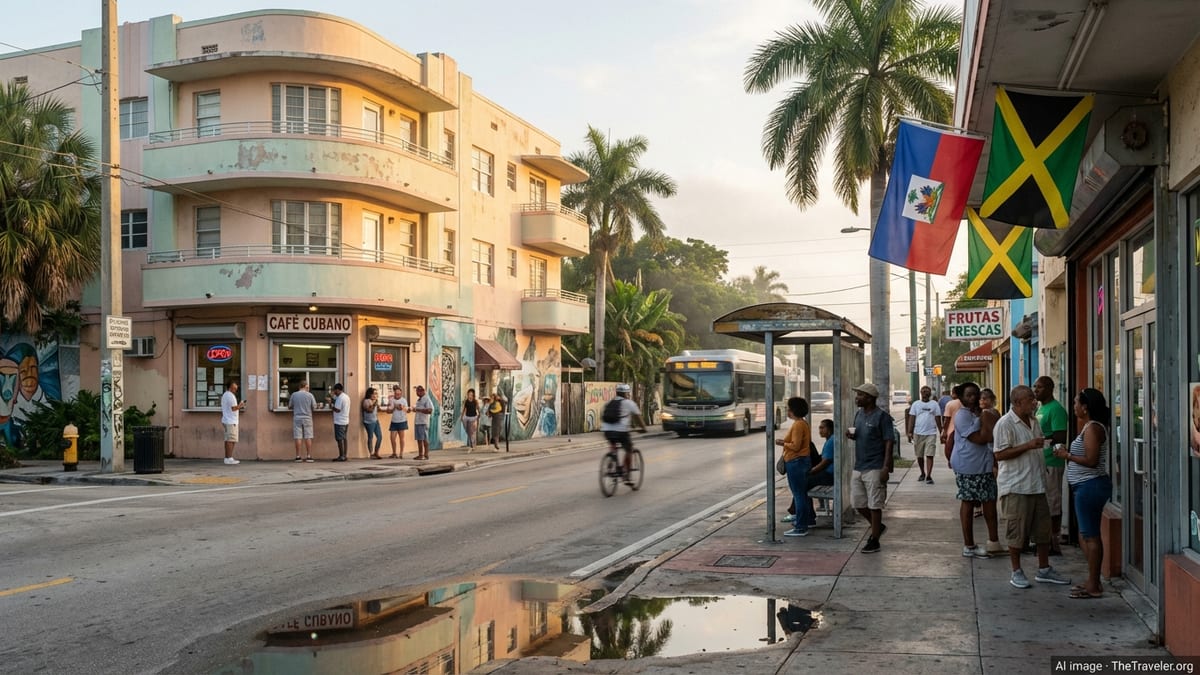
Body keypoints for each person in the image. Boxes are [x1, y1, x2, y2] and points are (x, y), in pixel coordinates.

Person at [993, 385, 1070, 589]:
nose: (1034, 402)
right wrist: (1028, 446)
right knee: (1017, 532)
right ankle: (1016, 571)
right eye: (1029, 399)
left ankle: (1044, 568)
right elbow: (999, 454)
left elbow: (1037, 446)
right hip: (1016, 486)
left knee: (1042, 531)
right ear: (1017, 402)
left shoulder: (1034, 420)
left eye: (1033, 398)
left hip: (1036, 484)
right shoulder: (1005, 423)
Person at [1053, 388, 1113, 599]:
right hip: (1084, 486)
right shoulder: (1089, 427)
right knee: (1086, 535)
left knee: (1090, 536)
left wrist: (1066, 455)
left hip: (1090, 486)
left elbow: (1091, 460)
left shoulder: (1093, 429)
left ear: (1085, 407)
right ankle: (1092, 580)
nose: (1074, 407)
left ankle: (1094, 584)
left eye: (1077, 403)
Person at [949, 381, 1002, 558]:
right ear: (961, 397)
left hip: (984, 464)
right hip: (969, 465)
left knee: (989, 501)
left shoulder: (980, 413)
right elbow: (981, 438)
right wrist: (987, 419)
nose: (973, 398)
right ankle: (969, 545)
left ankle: (994, 542)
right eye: (968, 395)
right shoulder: (962, 415)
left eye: (975, 395)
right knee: (969, 501)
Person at [848, 382, 893, 554]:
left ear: (869, 398)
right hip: (859, 465)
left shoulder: (882, 417)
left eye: (860, 395)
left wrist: (886, 467)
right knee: (858, 503)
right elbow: (859, 435)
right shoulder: (859, 415)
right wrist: (852, 436)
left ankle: (874, 539)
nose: (857, 398)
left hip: (875, 466)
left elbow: (889, 441)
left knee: (875, 505)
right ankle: (877, 526)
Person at [1034, 376, 1069, 555]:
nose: (1035, 390)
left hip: (1052, 462)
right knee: (1044, 503)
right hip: (1041, 461)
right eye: (1034, 386)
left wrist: (1041, 442)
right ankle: (1045, 538)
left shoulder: (1056, 410)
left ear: (1049, 388)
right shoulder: (1041, 408)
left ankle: (1054, 541)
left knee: (1053, 502)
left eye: (1039, 387)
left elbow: (1060, 437)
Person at [776, 397, 813, 537]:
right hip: (801, 461)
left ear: (793, 410)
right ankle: (806, 520)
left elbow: (796, 446)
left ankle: (801, 527)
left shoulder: (798, 425)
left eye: (789, 408)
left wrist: (782, 443)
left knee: (799, 495)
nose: (788, 410)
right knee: (802, 494)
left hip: (796, 462)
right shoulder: (802, 423)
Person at [600, 383, 646, 483]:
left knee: (613, 443)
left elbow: (602, 416)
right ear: (626, 393)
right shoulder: (630, 403)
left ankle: (611, 461)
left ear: (617, 392)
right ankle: (627, 476)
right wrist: (643, 428)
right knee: (629, 449)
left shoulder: (608, 403)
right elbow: (638, 418)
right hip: (621, 431)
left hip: (607, 430)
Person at [804, 418, 837, 528]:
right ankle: (801, 512)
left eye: (823, 427)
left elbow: (825, 463)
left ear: (830, 429)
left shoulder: (831, 441)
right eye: (819, 428)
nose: (820, 430)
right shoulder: (830, 440)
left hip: (830, 475)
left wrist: (811, 472)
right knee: (803, 482)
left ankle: (808, 517)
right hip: (830, 474)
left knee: (803, 484)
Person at [907, 385, 943, 484]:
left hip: (931, 433)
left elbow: (938, 419)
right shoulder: (916, 404)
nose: (925, 393)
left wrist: (942, 433)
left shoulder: (934, 404)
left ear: (930, 393)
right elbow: (912, 418)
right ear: (921, 393)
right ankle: (922, 473)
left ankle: (929, 475)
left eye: (927, 391)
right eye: (923, 391)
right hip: (918, 433)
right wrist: (909, 432)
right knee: (919, 456)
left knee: (930, 454)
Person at [289, 380, 316, 462]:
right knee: (308, 437)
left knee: (298, 437)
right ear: (306, 386)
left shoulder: (294, 395)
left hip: (297, 417)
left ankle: (298, 456)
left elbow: (290, 406)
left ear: (299, 386)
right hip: (307, 418)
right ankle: (308, 456)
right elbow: (314, 407)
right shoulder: (310, 395)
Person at [381, 384, 409, 458]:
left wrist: (402, 407)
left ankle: (401, 453)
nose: (397, 395)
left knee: (401, 438)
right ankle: (394, 453)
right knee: (392, 438)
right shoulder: (391, 400)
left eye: (399, 394)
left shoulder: (403, 400)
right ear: (394, 393)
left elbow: (407, 410)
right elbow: (388, 411)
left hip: (402, 420)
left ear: (401, 393)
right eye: (396, 394)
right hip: (394, 421)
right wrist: (394, 408)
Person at [219, 380, 243, 465]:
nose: (236, 389)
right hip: (230, 421)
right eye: (234, 387)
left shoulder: (226, 395)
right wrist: (240, 405)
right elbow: (233, 408)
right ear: (230, 387)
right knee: (230, 440)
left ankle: (228, 457)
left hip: (228, 420)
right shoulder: (230, 396)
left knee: (229, 440)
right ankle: (228, 458)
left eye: (236, 388)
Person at [411, 385, 435, 460]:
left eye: (418, 391)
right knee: (419, 439)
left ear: (422, 391)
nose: (417, 393)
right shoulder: (420, 399)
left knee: (423, 439)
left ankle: (424, 454)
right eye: (416, 391)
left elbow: (430, 410)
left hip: (423, 422)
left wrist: (418, 410)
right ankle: (421, 454)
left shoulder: (426, 399)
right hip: (418, 421)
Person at [361, 386, 383, 459]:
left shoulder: (374, 401)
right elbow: (369, 410)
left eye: (376, 394)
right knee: (370, 437)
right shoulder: (366, 401)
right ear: (369, 394)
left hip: (375, 420)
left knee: (379, 436)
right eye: (373, 394)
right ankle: (371, 453)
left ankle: (376, 452)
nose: (374, 395)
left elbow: (378, 409)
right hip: (369, 422)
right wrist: (374, 404)